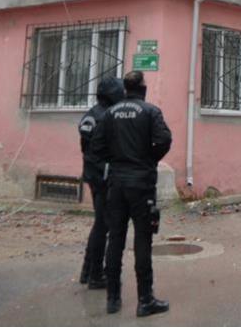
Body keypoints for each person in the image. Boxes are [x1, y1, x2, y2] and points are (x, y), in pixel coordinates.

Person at [90, 71, 172, 318]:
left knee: (115, 238)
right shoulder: (150, 111)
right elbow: (164, 140)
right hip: (141, 184)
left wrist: (116, 161)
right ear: (142, 87)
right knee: (143, 240)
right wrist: (149, 159)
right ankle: (145, 300)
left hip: (116, 184)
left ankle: (113, 298)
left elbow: (96, 148)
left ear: (125, 88)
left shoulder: (109, 114)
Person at [78, 77, 125, 290]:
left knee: (100, 224)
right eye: (120, 93)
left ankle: (87, 270)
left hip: (95, 174)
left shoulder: (94, 114)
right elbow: (98, 151)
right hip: (102, 177)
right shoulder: (103, 116)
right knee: (103, 225)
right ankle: (95, 275)